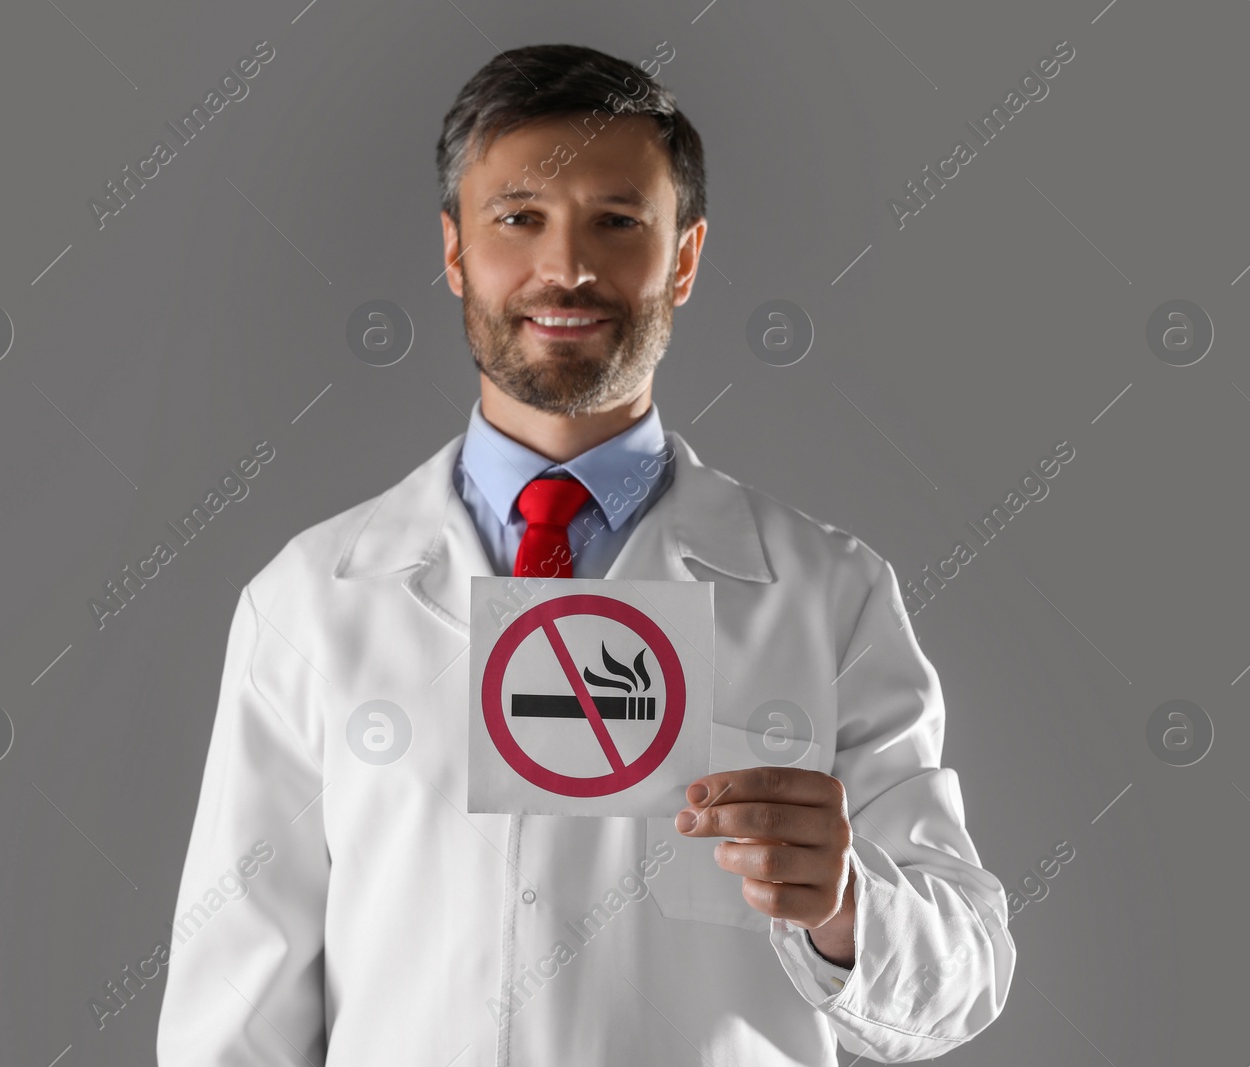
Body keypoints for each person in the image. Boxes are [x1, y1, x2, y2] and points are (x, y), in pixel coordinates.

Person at [155, 42, 1013, 1065]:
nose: (566, 267)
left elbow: (965, 975)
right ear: (454, 250)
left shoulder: (829, 596)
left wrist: (843, 904)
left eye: (617, 221)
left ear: (683, 257)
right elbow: (232, 1019)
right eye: (518, 218)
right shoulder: (308, 601)